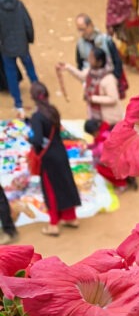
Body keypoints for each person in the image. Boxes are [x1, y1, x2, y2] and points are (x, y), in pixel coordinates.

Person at [27, 81, 81, 237]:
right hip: (60, 153)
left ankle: (53, 224)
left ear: (33, 98)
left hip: (48, 157)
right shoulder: (53, 111)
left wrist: (29, 139)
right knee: (65, 183)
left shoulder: (37, 117)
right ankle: (70, 217)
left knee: (50, 189)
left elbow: (37, 140)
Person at [0, 0, 39, 118]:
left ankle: (18, 103)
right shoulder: (18, 3)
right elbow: (28, 23)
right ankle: (40, 99)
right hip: (23, 46)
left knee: (11, 74)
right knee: (31, 71)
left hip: (6, 48)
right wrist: (29, 39)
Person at [58, 48, 125, 126]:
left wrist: (93, 98)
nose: (89, 60)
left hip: (110, 119)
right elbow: (81, 76)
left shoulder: (108, 79)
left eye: (91, 58)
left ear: (99, 62)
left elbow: (113, 98)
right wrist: (67, 67)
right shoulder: (91, 72)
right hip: (96, 115)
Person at [75, 14, 128, 97]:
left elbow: (117, 61)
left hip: (108, 82)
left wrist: (114, 79)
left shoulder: (106, 40)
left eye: (83, 29)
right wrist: (85, 82)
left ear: (90, 26)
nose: (81, 33)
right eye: (79, 30)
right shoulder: (80, 45)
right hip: (92, 85)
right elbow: (80, 64)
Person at [84, 118, 138, 192]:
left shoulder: (102, 141)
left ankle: (122, 184)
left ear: (94, 132)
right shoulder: (105, 131)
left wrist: (88, 151)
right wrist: (88, 147)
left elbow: (99, 151)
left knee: (98, 166)